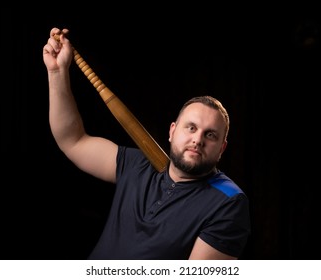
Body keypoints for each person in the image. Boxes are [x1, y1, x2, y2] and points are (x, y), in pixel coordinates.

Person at [42, 27, 251, 260]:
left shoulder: (228, 201)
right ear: (172, 131)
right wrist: (57, 72)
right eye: (191, 127)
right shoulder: (137, 165)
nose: (198, 139)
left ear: (222, 148)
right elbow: (73, 140)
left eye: (210, 135)